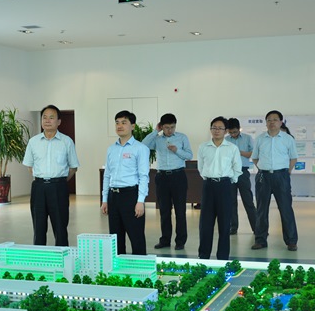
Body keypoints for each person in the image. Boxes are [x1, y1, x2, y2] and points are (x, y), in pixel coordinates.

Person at [23, 105, 79, 246]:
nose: (47, 120)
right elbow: (30, 167)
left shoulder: (66, 141)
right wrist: (43, 179)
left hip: (59, 187)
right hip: (39, 187)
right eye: (44, 117)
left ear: (59, 121)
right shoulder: (33, 142)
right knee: (39, 227)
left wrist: (59, 180)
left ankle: (62, 256)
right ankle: (40, 256)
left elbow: (73, 167)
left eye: (52, 117)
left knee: (60, 227)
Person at [101, 110, 150, 255]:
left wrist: (140, 201)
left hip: (131, 196)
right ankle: (118, 267)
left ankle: (140, 267)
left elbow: (143, 176)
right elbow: (107, 175)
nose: (119, 126)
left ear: (133, 126)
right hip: (114, 196)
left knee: (136, 237)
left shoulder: (140, 148)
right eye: (117, 123)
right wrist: (105, 200)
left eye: (124, 122)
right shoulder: (111, 149)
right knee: (116, 239)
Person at [142, 113, 193, 250]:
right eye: (166, 127)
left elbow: (189, 155)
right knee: (164, 211)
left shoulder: (182, 137)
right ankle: (165, 240)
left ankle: (180, 241)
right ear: (161, 126)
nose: (170, 130)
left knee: (180, 211)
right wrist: (155, 131)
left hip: (178, 176)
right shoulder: (157, 139)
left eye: (172, 127)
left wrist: (177, 150)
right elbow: (143, 145)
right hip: (162, 177)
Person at [251, 110, 299, 251]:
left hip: (281, 176)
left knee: (286, 209)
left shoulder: (288, 139)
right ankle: (260, 240)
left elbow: (293, 158)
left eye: (275, 119)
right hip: (263, 177)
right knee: (261, 209)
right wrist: (263, 168)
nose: (272, 122)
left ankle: (291, 241)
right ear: (266, 123)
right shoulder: (260, 139)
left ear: (281, 122)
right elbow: (255, 157)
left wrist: (287, 172)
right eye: (269, 120)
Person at [197, 117, 242, 260]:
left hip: (225, 186)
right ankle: (203, 256)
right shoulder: (203, 147)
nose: (216, 131)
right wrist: (209, 178)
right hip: (208, 186)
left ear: (226, 131)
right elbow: (201, 167)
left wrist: (228, 181)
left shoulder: (232, 148)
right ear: (210, 129)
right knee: (205, 224)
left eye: (220, 128)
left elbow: (237, 168)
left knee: (224, 224)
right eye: (214, 128)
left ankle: (222, 257)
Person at [225, 118, 257, 234]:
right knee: (231, 202)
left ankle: (256, 228)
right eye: (230, 132)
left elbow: (254, 153)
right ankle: (233, 227)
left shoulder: (247, 138)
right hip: (229, 172)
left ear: (239, 129)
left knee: (248, 201)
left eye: (235, 132)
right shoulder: (226, 140)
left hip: (243, 172)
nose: (233, 134)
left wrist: (240, 152)